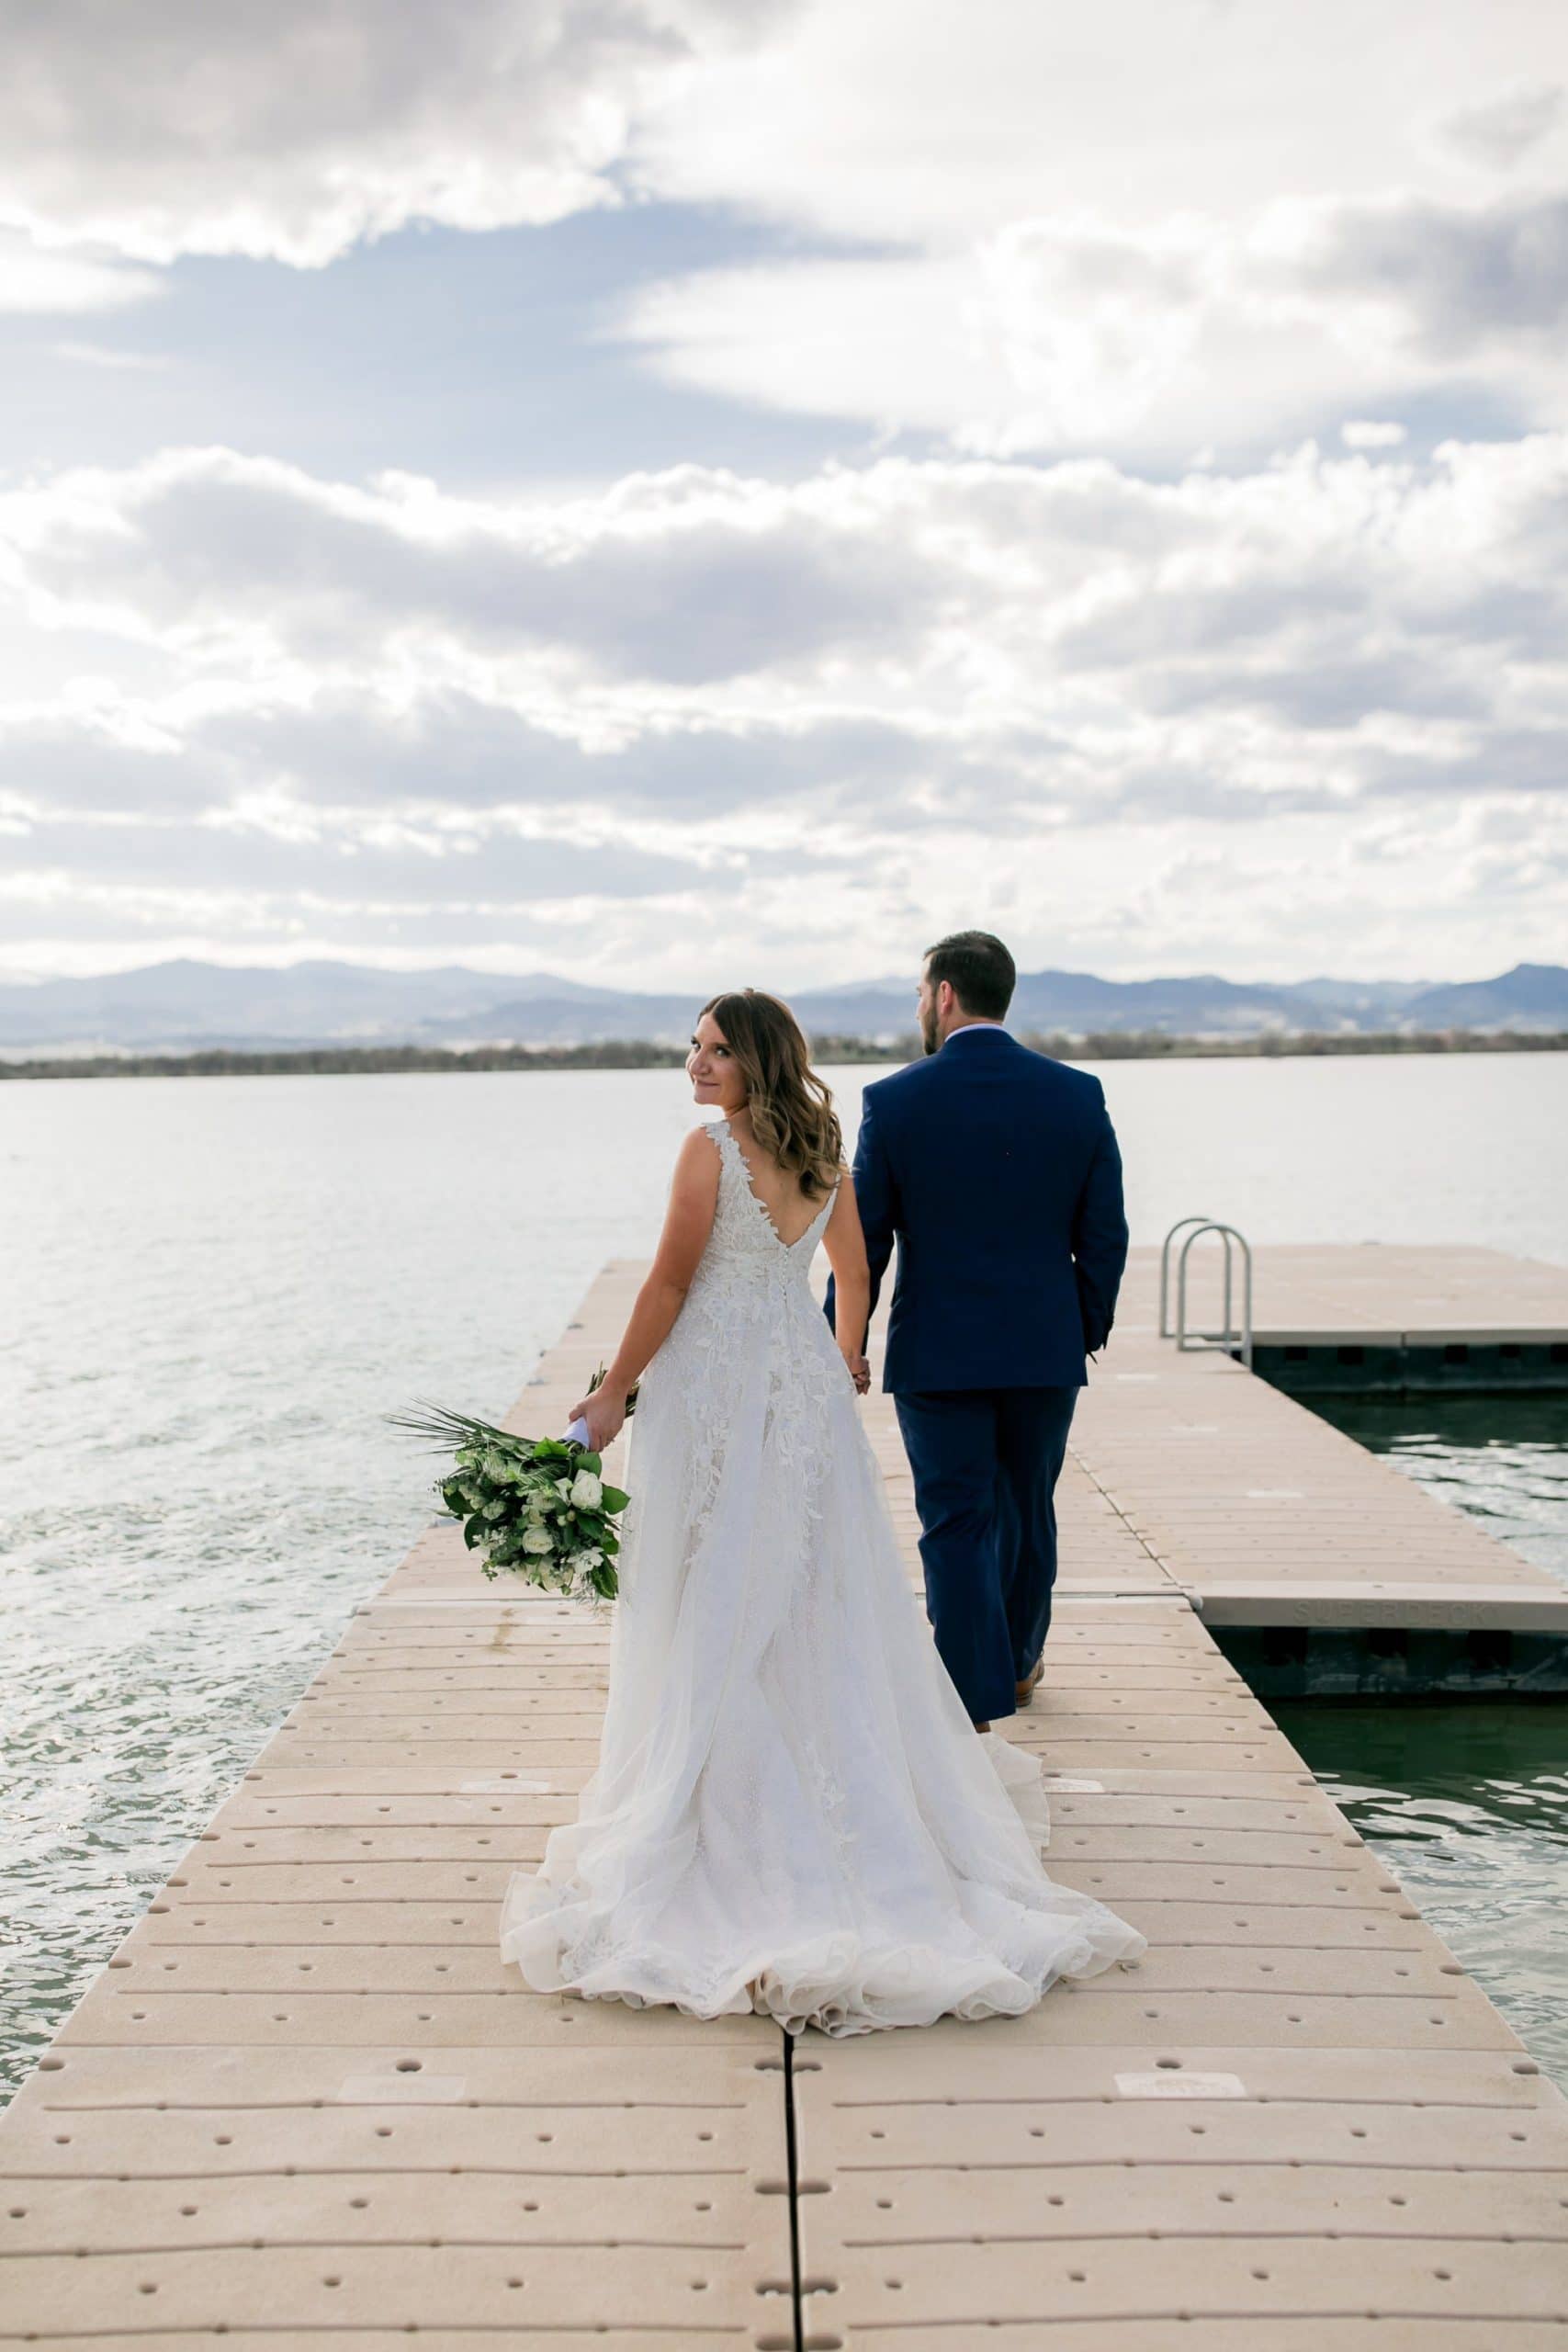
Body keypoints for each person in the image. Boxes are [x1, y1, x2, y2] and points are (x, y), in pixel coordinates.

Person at [498, 986, 1144, 2037]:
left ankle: (722, 1808)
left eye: (713, 1050)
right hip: (795, 1390)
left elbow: (667, 1286)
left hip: (714, 1390)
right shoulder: (824, 1146)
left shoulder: (709, 1151)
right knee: (802, 1589)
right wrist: (839, 1355)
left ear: (755, 1058)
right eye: (692, 1049)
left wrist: (613, 1392)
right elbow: (852, 1271)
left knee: (712, 1583)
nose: (696, 1065)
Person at [825, 930, 1130, 1730]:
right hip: (1043, 1347)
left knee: (955, 1520)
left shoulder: (893, 1101)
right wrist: (1081, 1329)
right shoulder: (1076, 1092)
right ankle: (1021, 1662)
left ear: (944, 995)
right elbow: (1104, 1234)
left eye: (919, 994)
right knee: (1028, 1508)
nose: (919, 1008)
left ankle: (969, 1696)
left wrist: (842, 1342)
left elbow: (866, 1241)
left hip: (938, 1351)